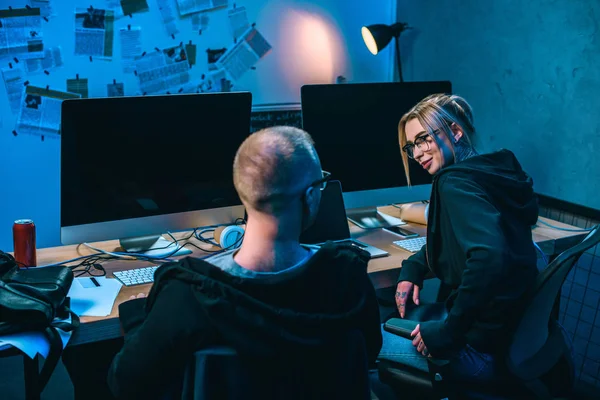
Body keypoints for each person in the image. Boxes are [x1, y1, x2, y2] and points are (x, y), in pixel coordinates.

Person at [105, 126, 382, 399]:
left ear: (242, 191)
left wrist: (137, 319)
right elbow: (368, 354)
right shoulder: (348, 279)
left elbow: (127, 383)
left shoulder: (186, 295)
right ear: (310, 196)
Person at [377, 94, 539, 387]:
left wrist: (447, 333)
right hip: (511, 342)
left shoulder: (454, 182)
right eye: (412, 145)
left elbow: (489, 255)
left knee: (363, 340)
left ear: (455, 131)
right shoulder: (491, 171)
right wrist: (415, 266)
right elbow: (460, 243)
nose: (417, 153)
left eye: (424, 139)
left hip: (477, 352)